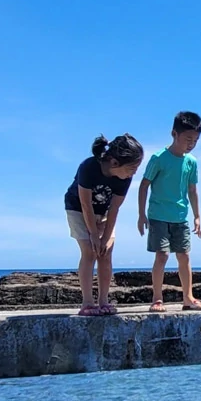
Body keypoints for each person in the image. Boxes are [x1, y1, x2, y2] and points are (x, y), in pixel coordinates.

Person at [64, 134, 144, 316]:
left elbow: (114, 208)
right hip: (78, 209)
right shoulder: (88, 167)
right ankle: (87, 302)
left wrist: (106, 237)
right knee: (90, 251)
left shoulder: (125, 178)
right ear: (115, 162)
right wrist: (93, 234)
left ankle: (103, 301)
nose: (134, 173)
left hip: (105, 212)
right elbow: (85, 204)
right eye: (132, 168)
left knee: (105, 253)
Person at [137, 111, 201, 313]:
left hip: (180, 217)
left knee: (184, 256)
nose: (191, 144)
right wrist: (141, 214)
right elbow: (144, 185)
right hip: (158, 215)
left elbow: (192, 190)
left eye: (195, 140)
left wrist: (197, 216)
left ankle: (188, 298)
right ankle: (157, 299)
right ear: (174, 134)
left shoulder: (191, 162)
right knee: (162, 255)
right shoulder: (159, 158)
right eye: (188, 139)